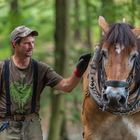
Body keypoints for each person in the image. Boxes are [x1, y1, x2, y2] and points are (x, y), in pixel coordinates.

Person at [0, 25, 91, 140]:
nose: (31, 46)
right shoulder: (3, 68)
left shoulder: (41, 69)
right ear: (14, 44)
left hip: (32, 125)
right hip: (6, 125)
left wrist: (78, 71)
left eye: (33, 42)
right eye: (27, 43)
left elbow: (66, 86)